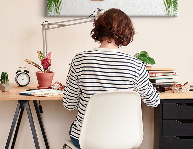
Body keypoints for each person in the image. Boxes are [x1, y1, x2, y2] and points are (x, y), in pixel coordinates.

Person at [63, 8, 160, 148]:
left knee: (77, 128)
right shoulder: (135, 65)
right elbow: (153, 101)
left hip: (86, 141)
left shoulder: (80, 60)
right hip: (124, 140)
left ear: (99, 29)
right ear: (126, 32)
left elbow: (69, 104)